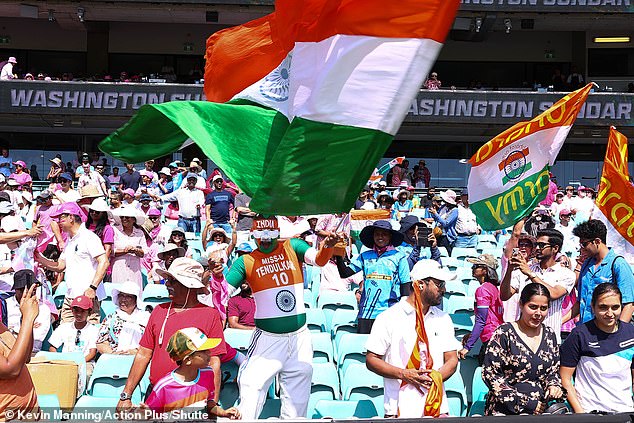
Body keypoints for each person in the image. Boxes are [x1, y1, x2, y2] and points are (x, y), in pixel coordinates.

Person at [221, 216, 338, 419]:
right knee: (251, 386)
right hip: (268, 340)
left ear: (277, 232)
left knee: (297, 402)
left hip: (299, 338)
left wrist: (327, 247)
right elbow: (223, 292)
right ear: (253, 235)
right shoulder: (245, 261)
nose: (265, 240)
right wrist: (214, 275)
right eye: (260, 235)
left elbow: (319, 260)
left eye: (270, 234)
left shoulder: (293, 246)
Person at [116, 258, 226, 412]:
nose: (167, 284)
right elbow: (143, 354)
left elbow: (214, 361)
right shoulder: (158, 311)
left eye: (173, 280)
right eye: (168, 279)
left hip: (194, 399)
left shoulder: (211, 315)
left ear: (190, 286)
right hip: (158, 395)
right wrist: (126, 396)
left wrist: (211, 404)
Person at [365, 259, 459, 418]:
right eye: (439, 284)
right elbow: (372, 359)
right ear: (421, 284)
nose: (443, 290)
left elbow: (452, 359)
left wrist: (434, 378)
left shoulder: (443, 318)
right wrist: (403, 374)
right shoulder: (388, 318)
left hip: (436, 407)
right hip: (400, 409)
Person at [482, 283, 563, 415]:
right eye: (533, 307)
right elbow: (491, 375)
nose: (538, 313)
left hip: (540, 411)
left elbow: (552, 372)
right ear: (521, 304)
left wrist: (553, 385)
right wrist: (526, 404)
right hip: (505, 411)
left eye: (543, 308)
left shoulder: (549, 335)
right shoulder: (504, 333)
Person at [560, 283, 634, 414]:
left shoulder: (631, 332)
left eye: (615, 307)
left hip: (626, 411)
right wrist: (580, 414)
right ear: (592, 307)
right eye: (603, 307)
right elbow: (565, 378)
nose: (610, 313)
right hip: (591, 412)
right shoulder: (579, 335)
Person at [141, 327, 240, 419]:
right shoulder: (164, 387)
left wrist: (223, 413)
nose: (209, 353)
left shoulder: (209, 373)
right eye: (204, 351)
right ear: (188, 359)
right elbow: (147, 414)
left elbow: (209, 403)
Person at [35, 202, 108, 323]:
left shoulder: (89, 237)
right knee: (65, 331)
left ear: (71, 217)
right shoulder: (69, 240)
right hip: (70, 295)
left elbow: (104, 262)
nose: (59, 222)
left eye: (61, 218)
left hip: (87, 295)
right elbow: (60, 266)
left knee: (87, 334)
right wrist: (39, 258)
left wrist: (92, 288)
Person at [500, 229, 574, 342]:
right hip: (522, 338)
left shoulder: (566, 274)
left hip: (548, 339)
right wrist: (509, 270)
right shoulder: (525, 267)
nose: (537, 248)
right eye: (537, 244)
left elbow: (553, 294)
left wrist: (530, 274)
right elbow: (504, 295)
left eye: (542, 245)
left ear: (555, 248)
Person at [336, 220, 410, 333]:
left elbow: (405, 286)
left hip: (389, 312)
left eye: (384, 234)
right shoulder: (365, 256)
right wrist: (338, 254)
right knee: (364, 349)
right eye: (377, 234)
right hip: (366, 313)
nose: (380, 237)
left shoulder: (399, 257)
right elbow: (344, 273)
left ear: (390, 236)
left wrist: (404, 312)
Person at [571, 219, 634, 324]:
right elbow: (580, 302)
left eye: (584, 244)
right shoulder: (586, 264)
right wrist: (560, 321)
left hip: (608, 333)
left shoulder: (618, 264)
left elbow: (629, 305)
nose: (582, 248)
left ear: (597, 241)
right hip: (585, 330)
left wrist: (618, 335)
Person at [0, 283, 39, 420]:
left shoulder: (1, 328)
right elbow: (11, 370)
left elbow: (25, 356)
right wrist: (28, 318)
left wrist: (26, 318)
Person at [459, 254, 503, 365]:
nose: (472, 268)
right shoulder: (494, 288)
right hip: (499, 337)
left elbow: (481, 320)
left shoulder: (482, 289)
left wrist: (467, 347)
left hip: (490, 340)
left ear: (485, 270)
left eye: (476, 266)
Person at [48, 295, 99, 384]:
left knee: (86, 373)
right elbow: (52, 347)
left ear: (89, 312)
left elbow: (92, 353)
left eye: (83, 311)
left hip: (84, 362)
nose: (79, 314)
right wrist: (59, 359)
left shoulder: (93, 330)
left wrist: (79, 362)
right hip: (65, 362)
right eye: (76, 310)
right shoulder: (64, 327)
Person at [96, 281, 150, 355]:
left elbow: (151, 343)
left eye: (128, 296)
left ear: (136, 299)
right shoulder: (111, 318)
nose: (123, 299)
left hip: (140, 358)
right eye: (121, 295)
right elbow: (101, 342)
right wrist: (113, 353)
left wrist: (135, 352)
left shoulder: (146, 318)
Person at [8, 269, 51, 353]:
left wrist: (13, 330)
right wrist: (29, 326)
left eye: (33, 289)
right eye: (24, 289)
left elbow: (37, 338)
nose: (29, 293)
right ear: (16, 290)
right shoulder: (5, 305)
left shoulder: (43, 309)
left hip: (32, 353)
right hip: (8, 352)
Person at [111, 207, 146, 288]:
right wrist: (125, 251)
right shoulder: (115, 230)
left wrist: (135, 250)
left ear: (134, 220)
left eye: (127, 217)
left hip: (134, 270)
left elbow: (144, 253)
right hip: (119, 269)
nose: (124, 219)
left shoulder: (140, 233)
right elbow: (111, 251)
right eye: (122, 217)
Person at [430, 190, 459, 255]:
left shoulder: (455, 211)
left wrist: (436, 214)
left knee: (446, 253)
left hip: (446, 237)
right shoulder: (443, 207)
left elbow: (446, 223)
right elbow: (436, 219)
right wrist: (434, 212)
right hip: (438, 234)